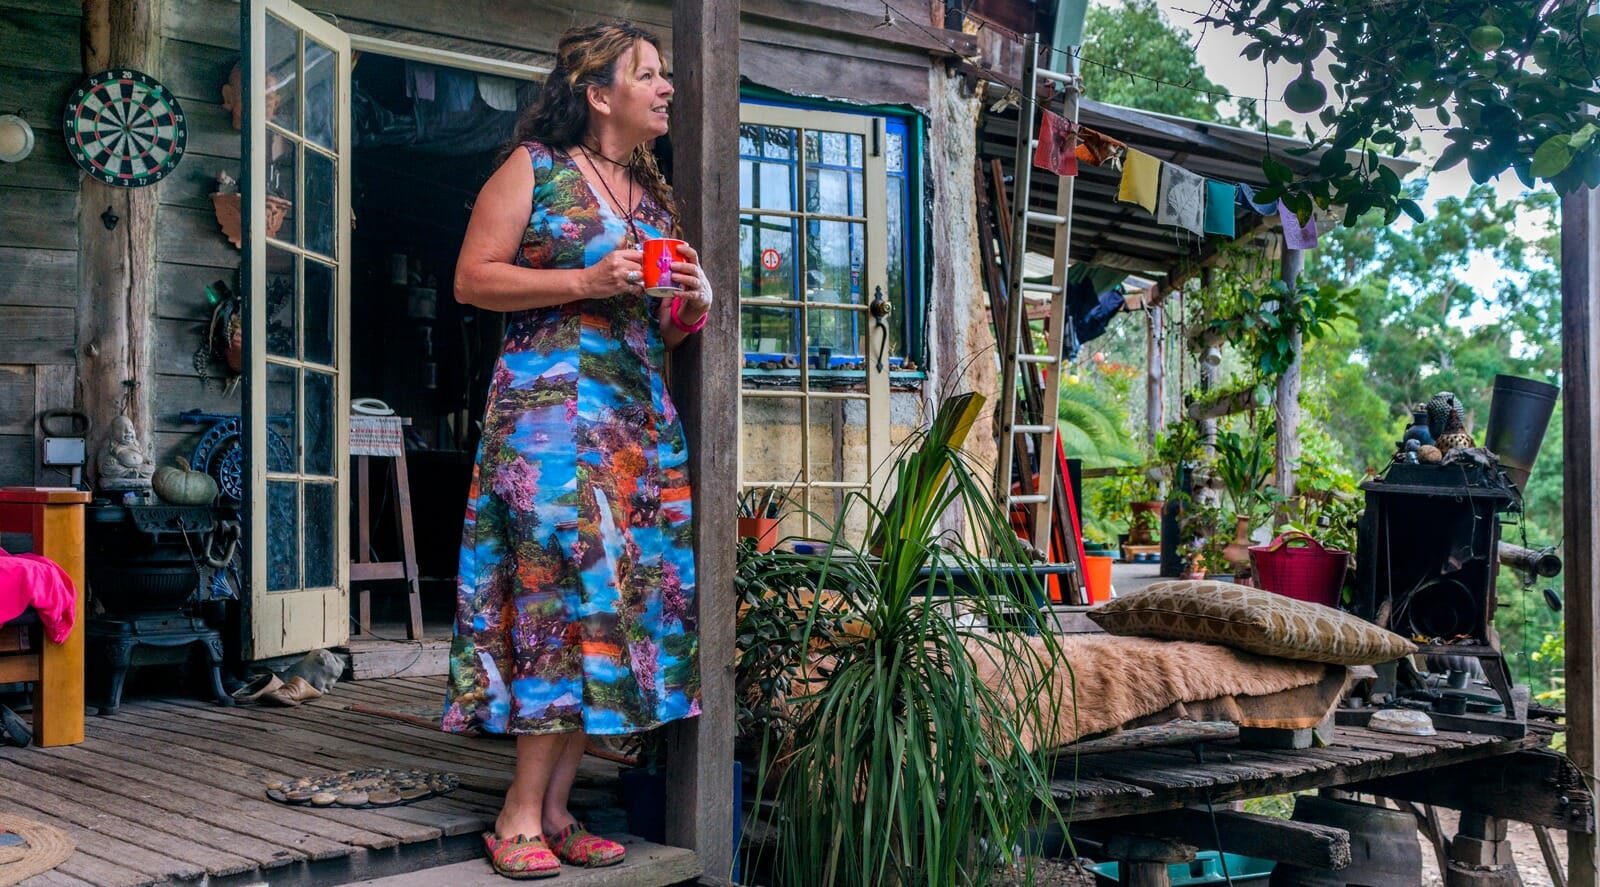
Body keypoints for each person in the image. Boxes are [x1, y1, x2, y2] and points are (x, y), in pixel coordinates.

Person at [442, 20, 709, 880]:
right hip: (547, 423)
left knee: (608, 609)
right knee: (554, 600)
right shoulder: (536, 169)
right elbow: (473, 277)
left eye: (666, 74)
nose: (667, 87)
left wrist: (689, 300)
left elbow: (662, 323)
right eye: (649, 74)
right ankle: (517, 811)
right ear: (600, 94)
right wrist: (584, 281)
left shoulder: (654, 196)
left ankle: (559, 810)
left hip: (634, 431)